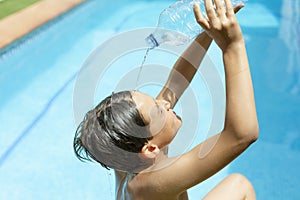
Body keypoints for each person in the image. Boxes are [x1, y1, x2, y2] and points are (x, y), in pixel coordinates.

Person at [73, 0, 259, 199]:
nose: (164, 102)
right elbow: (241, 134)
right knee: (239, 186)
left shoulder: (134, 151)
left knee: (237, 184)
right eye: (159, 110)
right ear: (150, 148)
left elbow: (176, 83)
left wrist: (209, 29)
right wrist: (233, 47)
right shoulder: (149, 183)